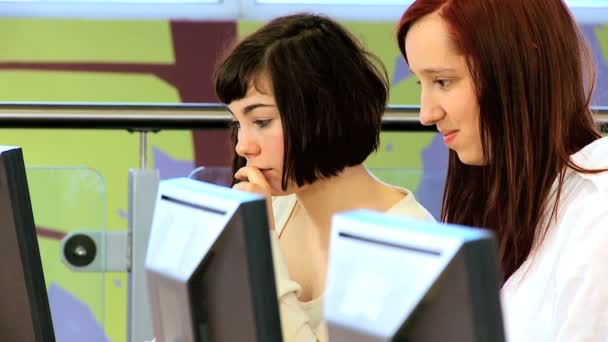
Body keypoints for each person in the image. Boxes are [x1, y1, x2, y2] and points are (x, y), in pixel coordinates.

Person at [214, 13, 435, 342]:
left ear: (323, 113)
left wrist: (260, 248)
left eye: (260, 121)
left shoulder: (406, 243)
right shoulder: (278, 206)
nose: (244, 145)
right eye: (237, 124)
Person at [397, 0, 608, 341]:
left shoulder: (597, 210)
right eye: (420, 84)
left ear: (517, 69)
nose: (426, 113)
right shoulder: (506, 200)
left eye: (443, 82)